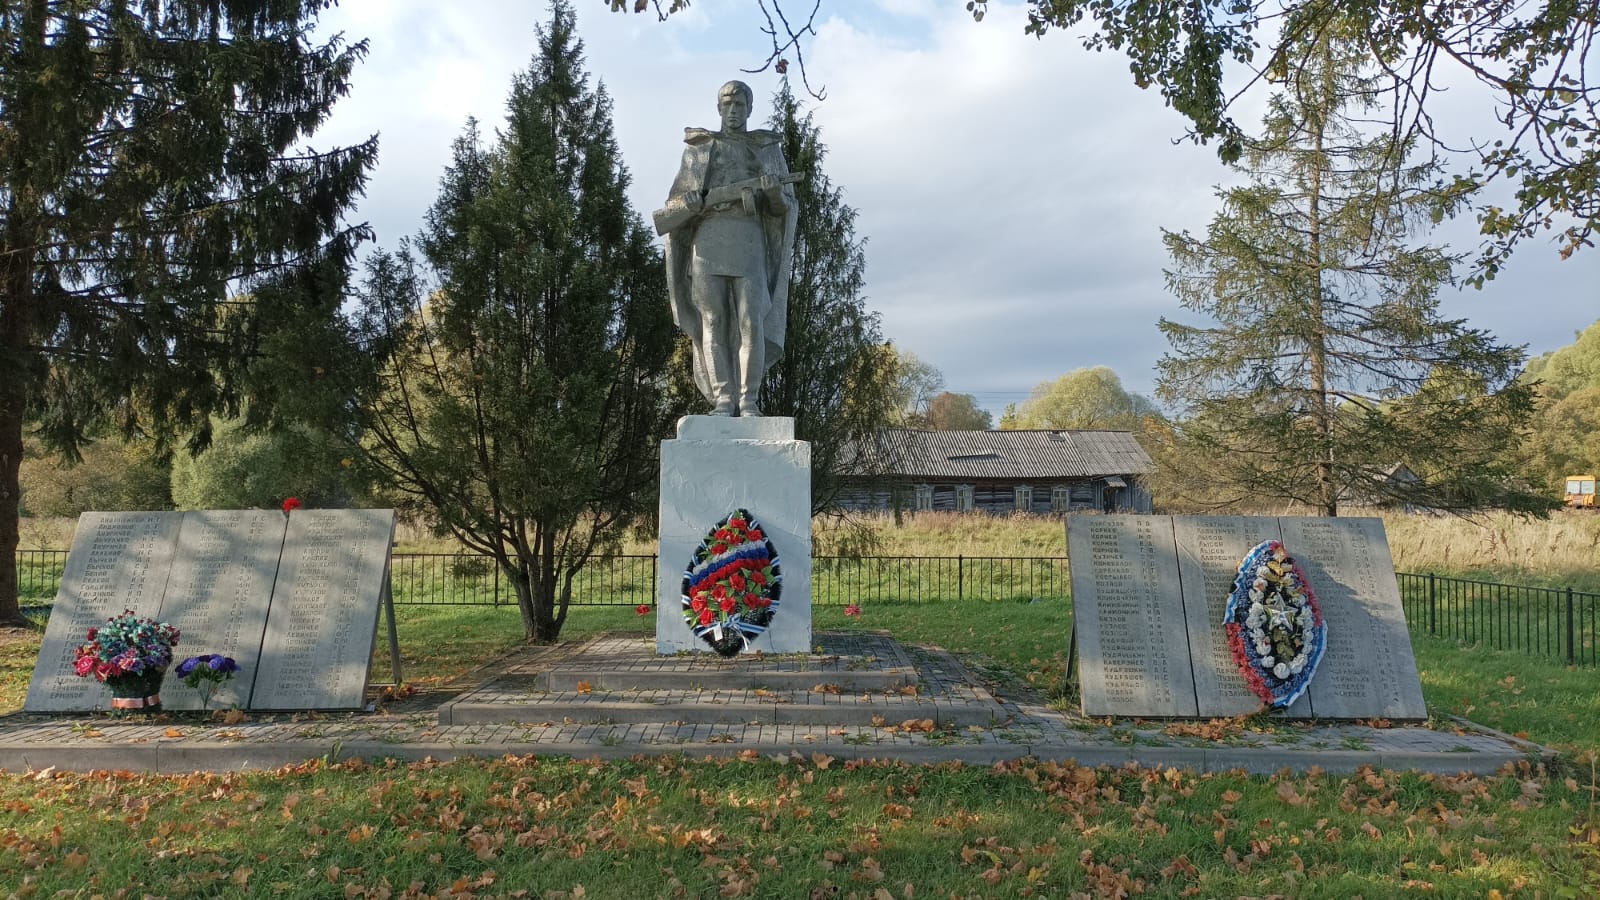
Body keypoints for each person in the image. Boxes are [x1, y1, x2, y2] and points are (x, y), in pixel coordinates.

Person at [656, 80, 798, 417]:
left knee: (751, 322)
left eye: (739, 105)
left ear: (750, 108)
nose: (733, 111)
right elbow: (674, 205)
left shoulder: (765, 149)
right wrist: (691, 202)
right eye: (727, 104)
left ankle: (749, 400)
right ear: (718, 108)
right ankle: (723, 399)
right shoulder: (699, 149)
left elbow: (783, 209)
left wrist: (773, 193)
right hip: (707, 243)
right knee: (713, 320)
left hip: (749, 240)